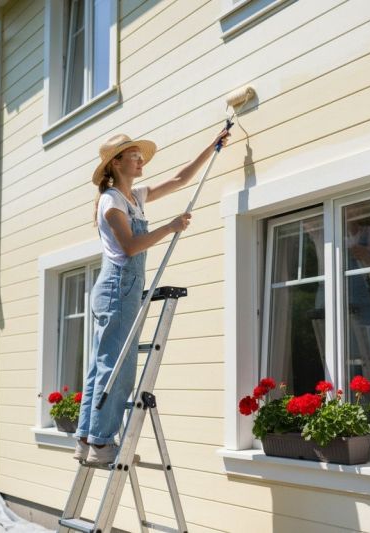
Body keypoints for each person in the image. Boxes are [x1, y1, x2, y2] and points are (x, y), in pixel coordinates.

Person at [74, 128, 230, 463]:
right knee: (119, 366)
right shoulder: (112, 201)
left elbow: (179, 179)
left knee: (102, 365)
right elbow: (130, 247)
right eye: (133, 155)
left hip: (121, 288)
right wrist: (170, 228)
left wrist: (212, 146)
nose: (140, 159)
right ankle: (102, 443)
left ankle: (87, 440)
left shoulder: (134, 196)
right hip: (118, 287)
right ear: (116, 163)